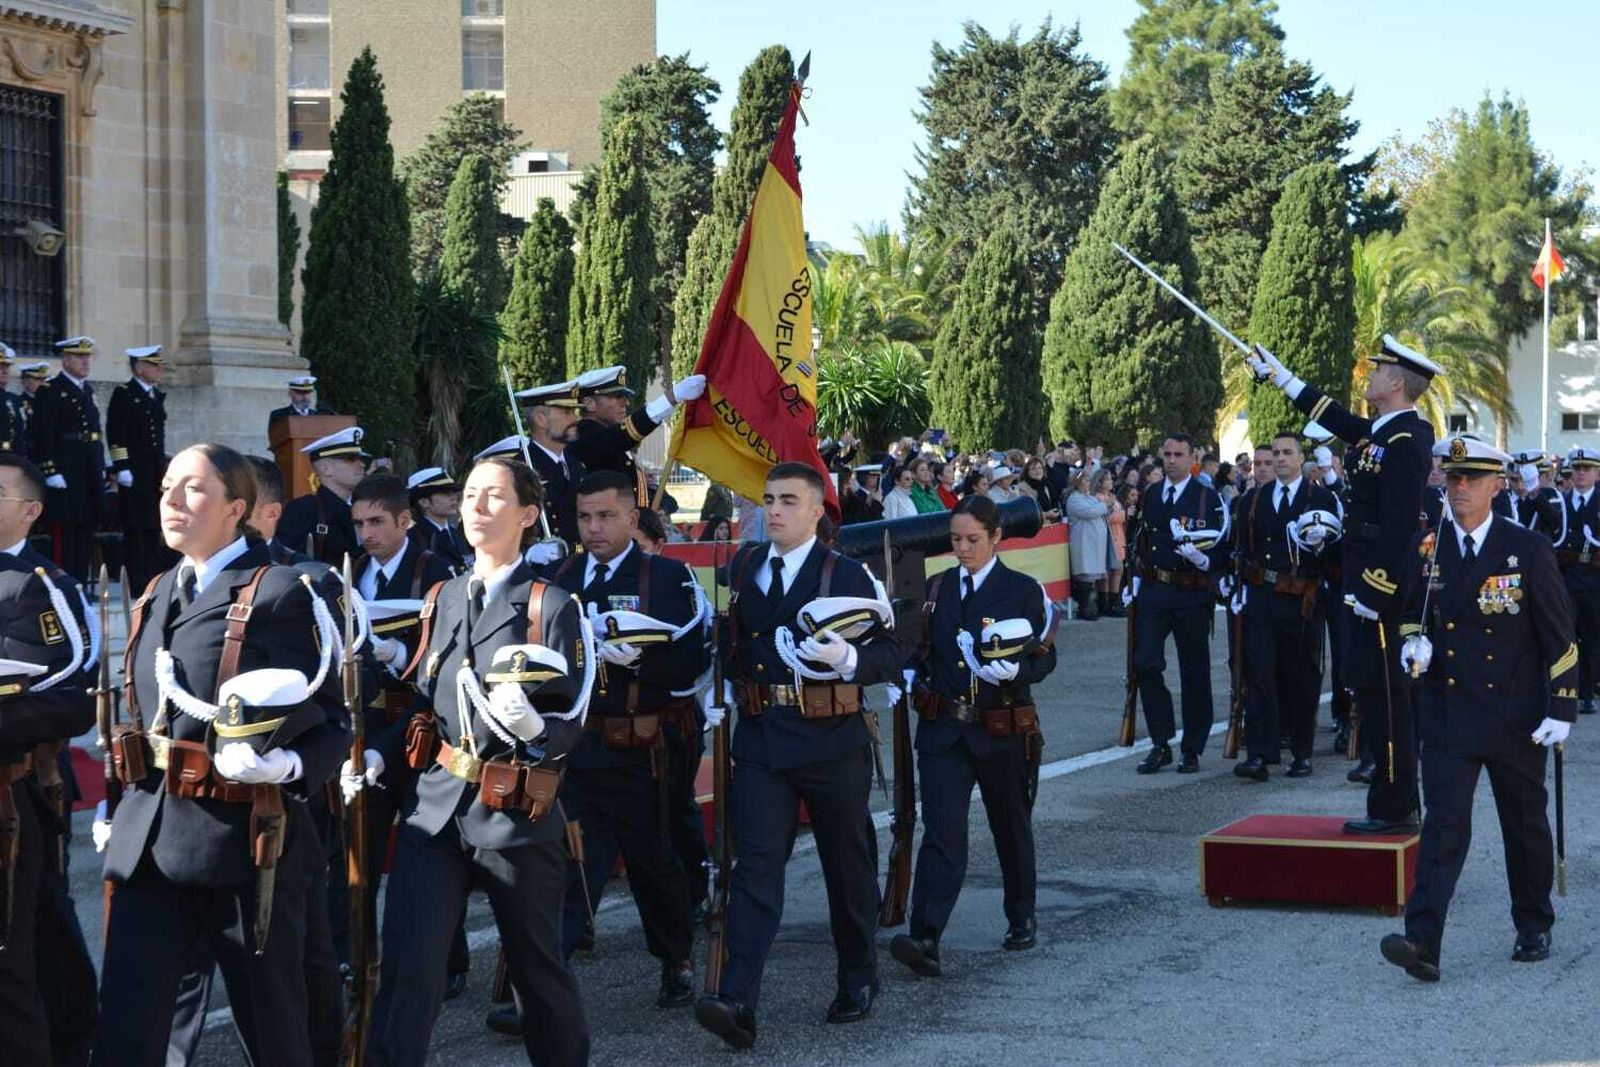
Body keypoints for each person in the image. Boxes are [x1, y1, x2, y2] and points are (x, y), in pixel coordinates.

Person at [93, 444, 349, 1066]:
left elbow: (333, 724)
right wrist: (115, 804)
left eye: (193, 489)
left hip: (243, 844)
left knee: (273, 1030)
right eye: (165, 488)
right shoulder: (155, 592)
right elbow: (138, 720)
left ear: (238, 507)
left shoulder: (283, 592)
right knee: (126, 1029)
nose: (172, 502)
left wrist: (288, 768)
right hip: (149, 844)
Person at [360, 456, 591, 1067]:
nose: (476, 507)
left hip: (513, 811)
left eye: (493, 496)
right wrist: (381, 757)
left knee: (536, 973)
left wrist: (538, 729)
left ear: (528, 514)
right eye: (468, 496)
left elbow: (576, 721)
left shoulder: (551, 606)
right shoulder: (444, 596)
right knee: (409, 967)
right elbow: (420, 702)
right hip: (434, 811)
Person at [694, 462, 902, 1050]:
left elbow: (891, 651)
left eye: (789, 500)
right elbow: (736, 644)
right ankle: (738, 999)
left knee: (847, 864)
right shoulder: (746, 566)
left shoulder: (846, 572)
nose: (775, 510)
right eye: (768, 499)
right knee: (755, 866)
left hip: (830, 740)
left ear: (817, 511)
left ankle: (858, 977)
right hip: (761, 740)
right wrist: (723, 689)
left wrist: (851, 663)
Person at [1380, 435, 1577, 982]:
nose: (1458, 488)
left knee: (1524, 825)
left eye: (1470, 480)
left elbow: (1560, 636)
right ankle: (1422, 942)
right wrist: (1411, 641)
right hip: (1448, 711)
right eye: (1452, 479)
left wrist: (1561, 707)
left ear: (1497, 485)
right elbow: (1411, 611)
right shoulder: (1428, 547)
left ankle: (1533, 921)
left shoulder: (1527, 549)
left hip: (1515, 715)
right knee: (1444, 827)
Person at [1250, 336, 1439, 833]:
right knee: (1371, 692)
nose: (1369, 376)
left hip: (1381, 589)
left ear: (1397, 383)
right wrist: (1282, 376)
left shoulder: (1407, 439)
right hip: (1361, 576)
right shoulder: (1384, 429)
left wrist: (1376, 590)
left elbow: (1402, 527)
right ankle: (1392, 804)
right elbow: (1337, 419)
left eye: (1378, 371)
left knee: (1386, 696)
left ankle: (1396, 808)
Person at [543, 470, 707, 1006]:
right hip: (577, 745)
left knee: (653, 862)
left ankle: (675, 961)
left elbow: (691, 659)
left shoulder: (664, 578)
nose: (594, 527)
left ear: (631, 519)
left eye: (607, 515)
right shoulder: (561, 579)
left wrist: (643, 659)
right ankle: (545, 979)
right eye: (585, 516)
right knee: (568, 862)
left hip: (641, 748)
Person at [890, 495, 1057, 978]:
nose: (963, 548)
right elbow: (921, 650)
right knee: (942, 833)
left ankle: (1021, 914)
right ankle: (926, 934)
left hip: (1001, 729)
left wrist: (1019, 669)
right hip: (945, 731)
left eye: (973, 540)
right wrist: (908, 677)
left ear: (996, 537)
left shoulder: (1022, 590)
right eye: (957, 540)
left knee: (1011, 826)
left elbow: (1045, 655)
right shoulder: (937, 589)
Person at [0, 453, 96, 1064]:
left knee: (15, 958)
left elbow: (72, 689)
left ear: (30, 511)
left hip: (12, 796)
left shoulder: (39, 585)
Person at [1228, 431, 1342, 781]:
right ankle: (1261, 754)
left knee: (1302, 676)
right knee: (1259, 673)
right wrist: (1233, 585)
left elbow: (1338, 554)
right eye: (1275, 453)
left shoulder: (1321, 497)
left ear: (1300, 457)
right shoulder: (1252, 500)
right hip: (1261, 596)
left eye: (1286, 453)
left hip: (1302, 600)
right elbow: (1240, 548)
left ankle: (1302, 752)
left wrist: (1321, 548)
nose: (1279, 459)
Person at [1126, 433, 1228, 774]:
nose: (1171, 460)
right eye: (1167, 454)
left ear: (1191, 458)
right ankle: (1161, 741)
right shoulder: (1152, 494)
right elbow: (1140, 540)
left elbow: (1222, 546)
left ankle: (1192, 747)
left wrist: (1205, 562)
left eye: (1178, 454)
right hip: (1155, 591)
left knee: (1194, 672)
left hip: (1191, 593)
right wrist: (1135, 579)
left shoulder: (1206, 498)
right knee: (1146, 663)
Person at [566, 366, 706, 505]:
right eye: (617, 397)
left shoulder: (606, 437)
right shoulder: (584, 435)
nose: (625, 402)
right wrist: (673, 397)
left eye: (625, 397)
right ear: (589, 403)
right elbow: (621, 436)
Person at [30, 336, 105, 582]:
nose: (86, 362)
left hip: (87, 470)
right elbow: (43, 434)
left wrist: (101, 467)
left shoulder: (87, 390)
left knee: (85, 529)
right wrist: (50, 470)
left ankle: (81, 584)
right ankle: (65, 583)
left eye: (87, 357)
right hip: (65, 469)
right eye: (79, 357)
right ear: (65, 360)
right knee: (65, 532)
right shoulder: (51, 390)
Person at [106, 344, 172, 593]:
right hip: (133, 473)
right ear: (139, 367)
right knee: (136, 528)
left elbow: (157, 439)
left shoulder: (155, 395)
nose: (159, 370)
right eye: (154, 365)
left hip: (153, 472)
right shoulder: (125, 393)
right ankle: (137, 583)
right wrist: (121, 466)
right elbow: (115, 433)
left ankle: (153, 579)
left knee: (153, 527)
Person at [511, 379, 586, 548]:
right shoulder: (519, 470)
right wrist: (528, 554)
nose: (575, 418)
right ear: (541, 420)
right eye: (567, 411)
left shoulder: (576, 466)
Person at [277, 426, 368, 565]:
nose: (361, 465)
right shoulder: (302, 510)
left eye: (361, 459)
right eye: (351, 459)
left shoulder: (365, 508)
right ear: (326, 469)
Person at [1553, 447, 1599, 714]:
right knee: (1566, 636)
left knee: (1592, 638)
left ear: (1596, 473)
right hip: (1567, 579)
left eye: (1587, 469)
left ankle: (1587, 693)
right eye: (1577, 469)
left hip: (1595, 579)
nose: (1581, 473)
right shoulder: (1561, 501)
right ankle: (1567, 690)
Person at [1065, 472, 1108, 621]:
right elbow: (1091, 512)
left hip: (1093, 543)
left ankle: (1091, 607)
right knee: (1085, 575)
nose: (1089, 482)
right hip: (1083, 541)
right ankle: (1085, 608)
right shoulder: (1074, 499)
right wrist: (1104, 505)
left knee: (1093, 576)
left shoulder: (1089, 497)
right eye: (1085, 479)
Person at [407, 467, 469, 570]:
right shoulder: (412, 539)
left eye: (454, 492)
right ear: (423, 502)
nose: (454, 497)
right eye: (445, 493)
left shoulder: (459, 534)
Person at [1098, 470, 1126, 617]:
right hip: (1108, 536)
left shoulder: (1111, 497)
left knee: (1118, 569)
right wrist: (1123, 515)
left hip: (1118, 535)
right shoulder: (1099, 498)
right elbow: (1106, 517)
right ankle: (1106, 603)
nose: (1111, 482)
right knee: (1109, 571)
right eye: (1107, 480)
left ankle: (1114, 602)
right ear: (1100, 482)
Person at [267, 375, 334, 428]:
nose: (304, 396)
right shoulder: (279, 415)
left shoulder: (317, 416)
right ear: (290, 393)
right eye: (300, 393)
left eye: (307, 393)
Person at [0, 342, 28, 456]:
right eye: (0, 367)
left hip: (12, 458)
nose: (5, 371)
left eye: (6, 366)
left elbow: (19, 434)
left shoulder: (13, 399)